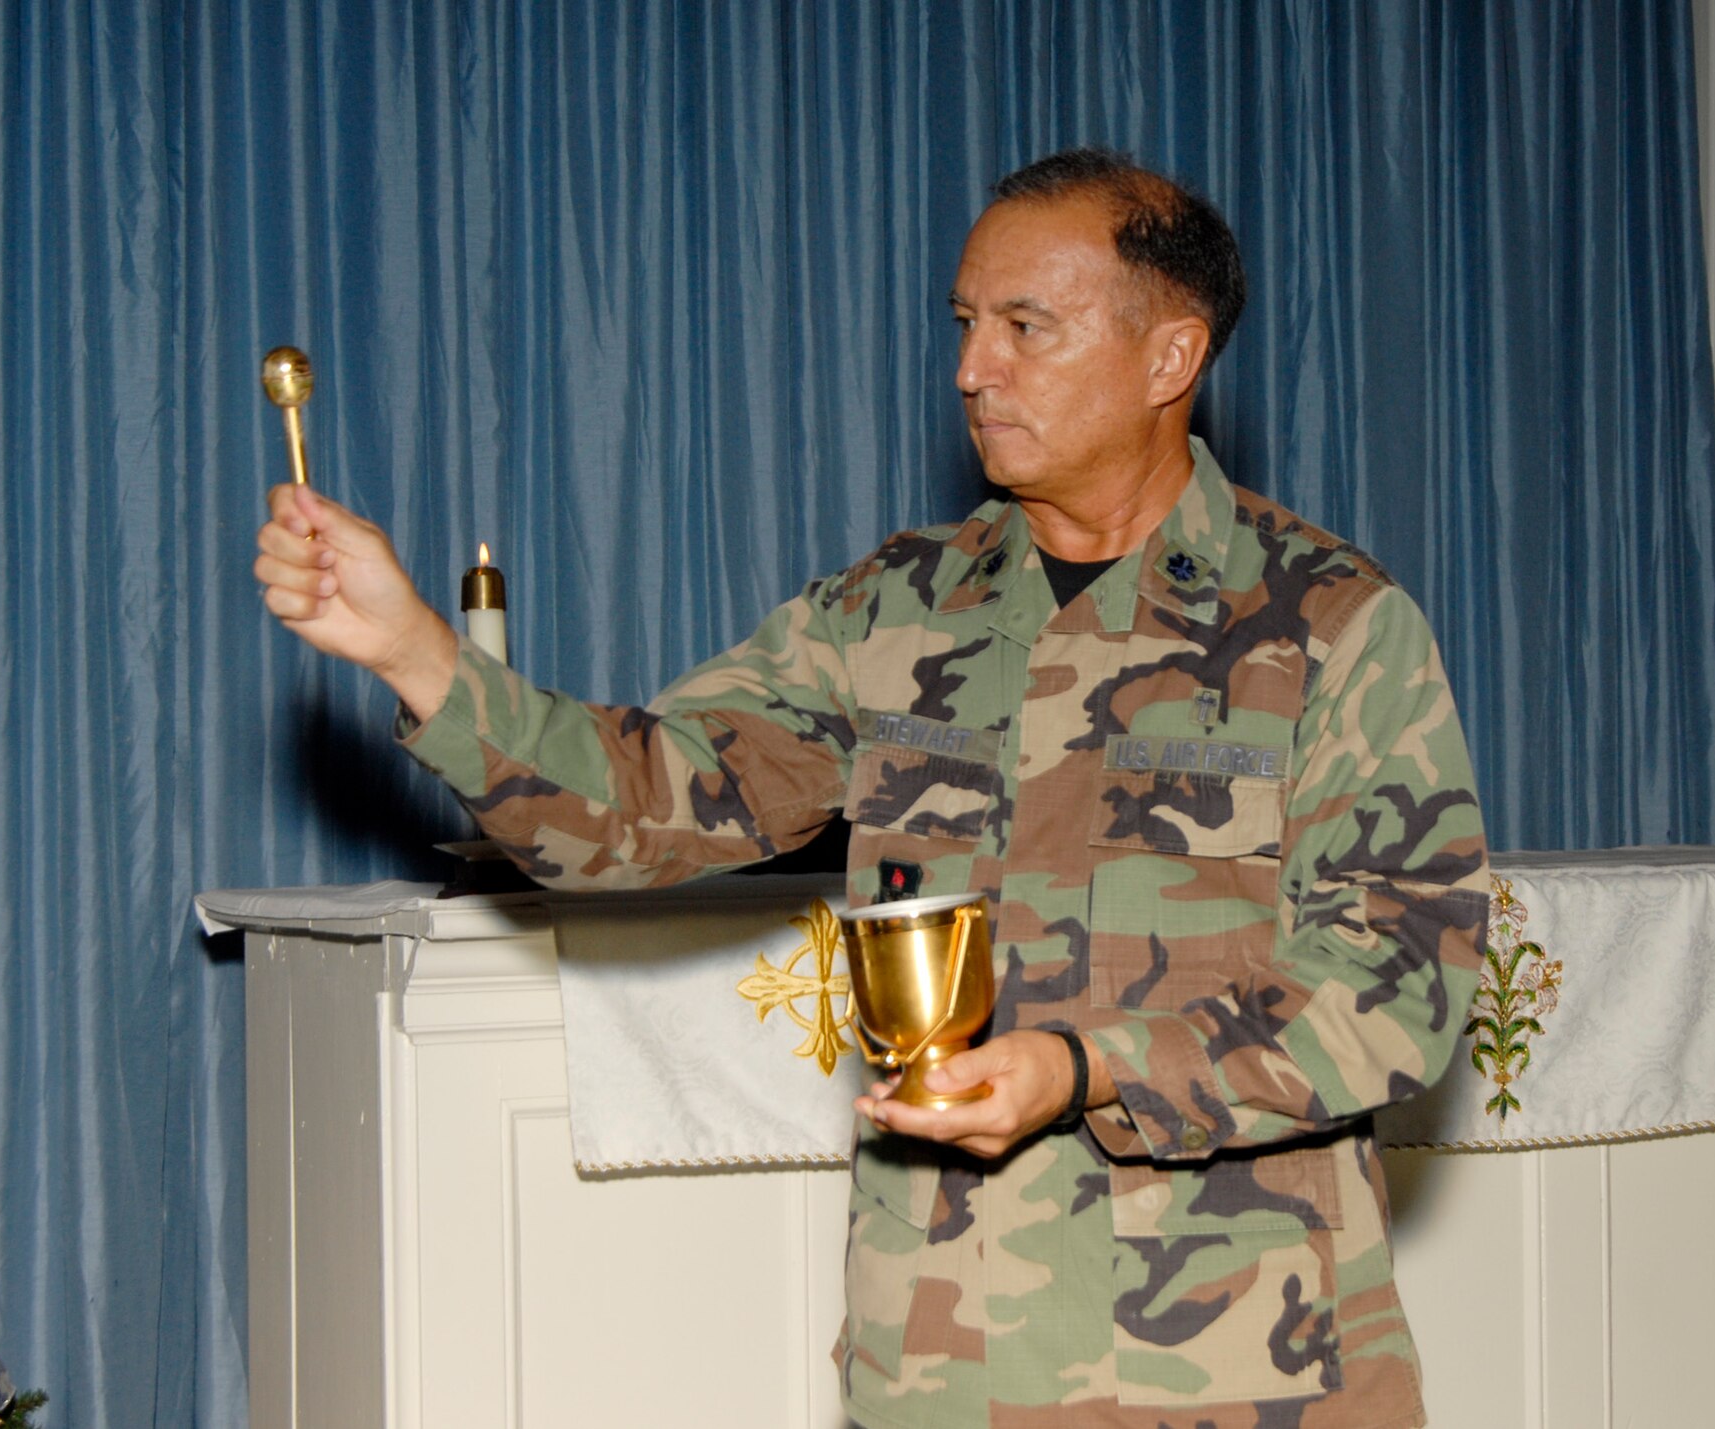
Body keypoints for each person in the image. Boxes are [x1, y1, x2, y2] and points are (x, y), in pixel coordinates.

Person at [255, 148, 1490, 1428]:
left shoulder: (1327, 626)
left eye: (1024, 327)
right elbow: (640, 803)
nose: (971, 368)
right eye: (965, 322)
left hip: (1238, 1377)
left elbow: (1400, 982)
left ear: (1168, 358)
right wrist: (418, 654)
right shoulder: (894, 610)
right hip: (945, 1367)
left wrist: (1085, 1069)